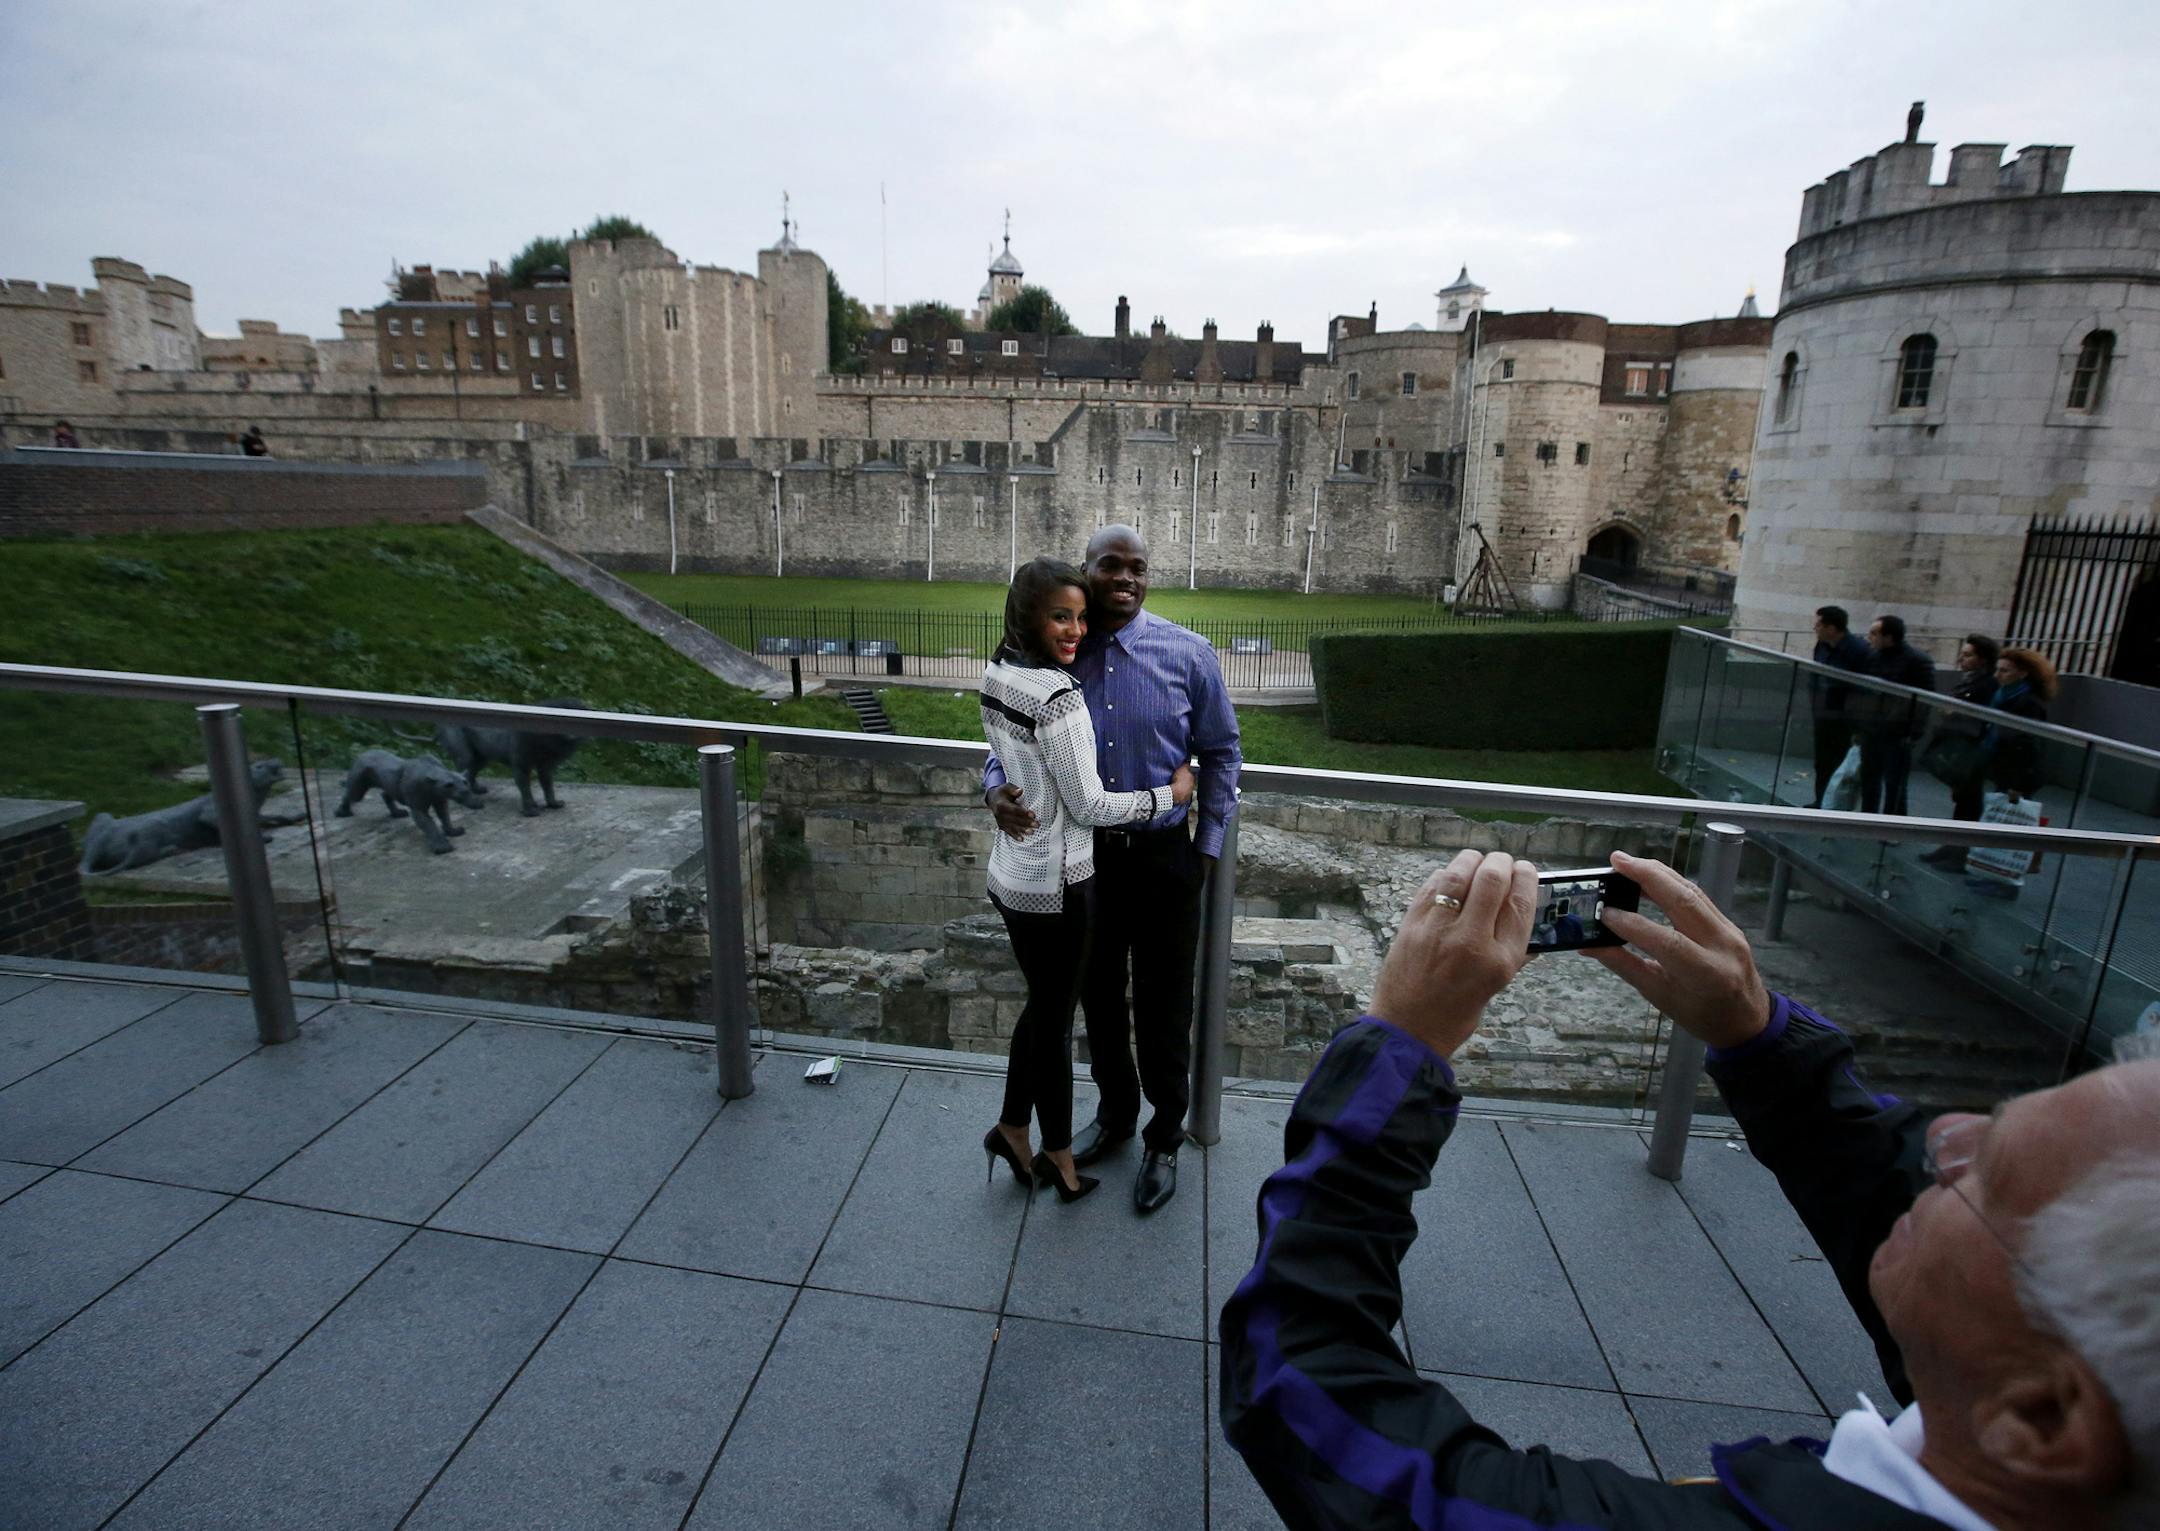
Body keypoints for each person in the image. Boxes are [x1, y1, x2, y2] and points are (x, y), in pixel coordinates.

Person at [1220, 846, 2160, 1531]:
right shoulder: (2046, 1419)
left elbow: (1298, 1371)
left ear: (2043, 1419)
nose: (1942, 1132)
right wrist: (1755, 1032)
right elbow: (1904, 1204)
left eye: (1982, 1176)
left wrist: (1401, 1043)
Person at [984, 523, 1241, 1213]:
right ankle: (1118, 1113)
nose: (1126, 577)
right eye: (1110, 565)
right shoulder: (1059, 652)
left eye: (1138, 567)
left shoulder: (1187, 654)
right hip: (1086, 862)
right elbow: (1011, 738)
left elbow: (1222, 750)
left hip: (1164, 859)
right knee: (1098, 1001)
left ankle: (1164, 1135)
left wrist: (1207, 846)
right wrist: (992, 790)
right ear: (1086, 571)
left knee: (1164, 1002)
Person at [1918, 633, 2002, 871]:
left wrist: (1954, 713)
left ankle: (1960, 852)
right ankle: (1953, 847)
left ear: (1982, 659)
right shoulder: (1973, 681)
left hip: (1971, 751)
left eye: (1968, 655)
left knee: (1969, 801)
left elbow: (1977, 718)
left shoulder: (1985, 685)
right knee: (1963, 800)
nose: (1961, 659)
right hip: (1963, 748)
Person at [1855, 614, 1936, 815]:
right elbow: (1864, 693)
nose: (1869, 637)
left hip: (1898, 733)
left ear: (1889, 637)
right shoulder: (1872, 657)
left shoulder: (1917, 662)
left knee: (1895, 783)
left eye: (1874, 633)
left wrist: (1914, 733)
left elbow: (1923, 702)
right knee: (1869, 777)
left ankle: (1894, 824)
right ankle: (1867, 817)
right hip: (1872, 729)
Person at [1808, 606, 1870, 808]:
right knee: (1822, 762)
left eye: (1818, 624)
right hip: (1823, 714)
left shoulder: (1858, 651)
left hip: (1845, 719)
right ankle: (1821, 802)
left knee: (1841, 764)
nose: (1814, 628)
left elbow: (1863, 689)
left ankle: (1835, 808)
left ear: (1832, 628)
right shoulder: (1822, 646)